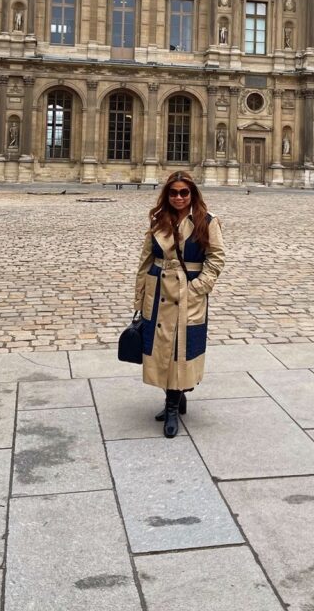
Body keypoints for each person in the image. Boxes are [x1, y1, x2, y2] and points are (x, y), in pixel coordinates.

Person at [133, 171, 225, 439]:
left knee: (180, 351)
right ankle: (177, 396)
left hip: (188, 293)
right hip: (159, 291)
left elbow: (217, 258)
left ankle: (172, 407)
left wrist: (198, 288)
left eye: (184, 192)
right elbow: (145, 261)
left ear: (192, 195)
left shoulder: (207, 221)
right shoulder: (158, 220)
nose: (179, 197)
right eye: (174, 193)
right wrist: (140, 298)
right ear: (167, 195)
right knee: (161, 350)